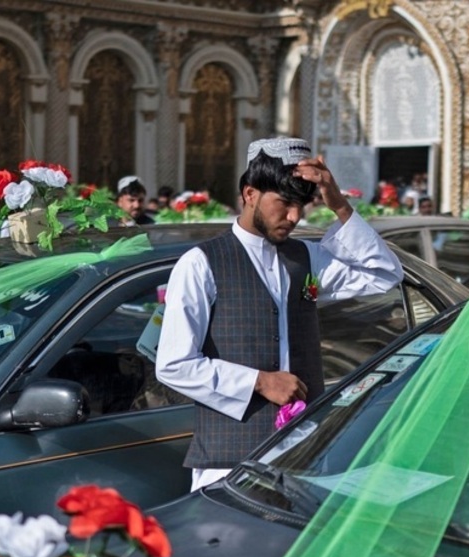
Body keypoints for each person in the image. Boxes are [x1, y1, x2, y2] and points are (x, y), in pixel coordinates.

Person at [156, 137, 403, 491]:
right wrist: (260, 381)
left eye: (301, 206)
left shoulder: (305, 256)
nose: (293, 217)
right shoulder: (201, 264)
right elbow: (174, 365)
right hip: (230, 467)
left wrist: (340, 206)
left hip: (304, 455)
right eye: (284, 203)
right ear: (250, 194)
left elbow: (384, 274)